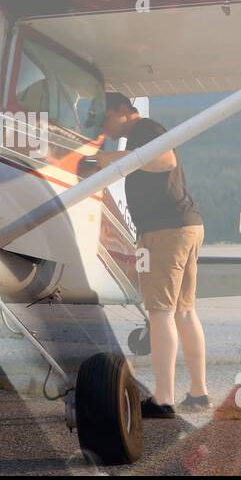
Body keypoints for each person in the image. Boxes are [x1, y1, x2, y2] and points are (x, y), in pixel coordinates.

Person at [97, 92, 208, 417]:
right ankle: (198, 393)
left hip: (164, 231)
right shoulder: (145, 132)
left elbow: (166, 160)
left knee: (160, 312)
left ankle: (163, 400)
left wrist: (115, 160)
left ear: (121, 111)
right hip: (188, 224)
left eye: (105, 120)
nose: (104, 128)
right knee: (184, 311)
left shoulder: (144, 130)